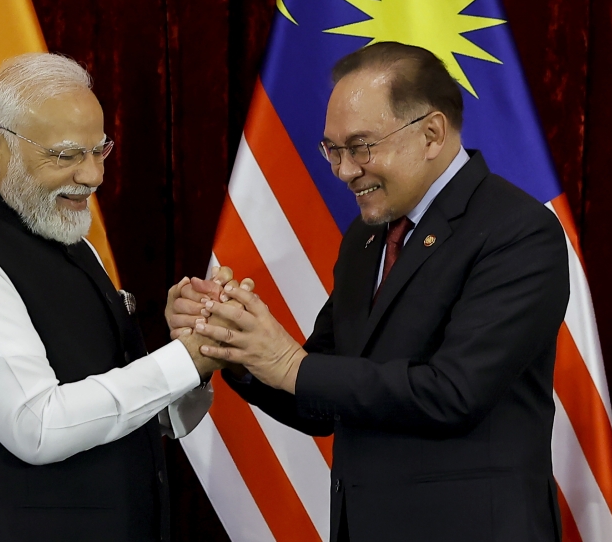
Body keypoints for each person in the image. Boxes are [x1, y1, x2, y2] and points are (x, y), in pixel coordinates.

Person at [173, 42, 570, 542]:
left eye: (361, 147)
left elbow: (454, 393)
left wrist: (292, 365)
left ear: (431, 134)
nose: (343, 171)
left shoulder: (518, 230)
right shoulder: (366, 239)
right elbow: (319, 398)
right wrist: (235, 347)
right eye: (332, 150)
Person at [0, 53, 227, 542]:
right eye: (67, 155)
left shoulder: (67, 237)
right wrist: (183, 360)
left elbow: (138, 415)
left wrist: (198, 349)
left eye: (99, 151)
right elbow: (36, 426)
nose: (94, 176)